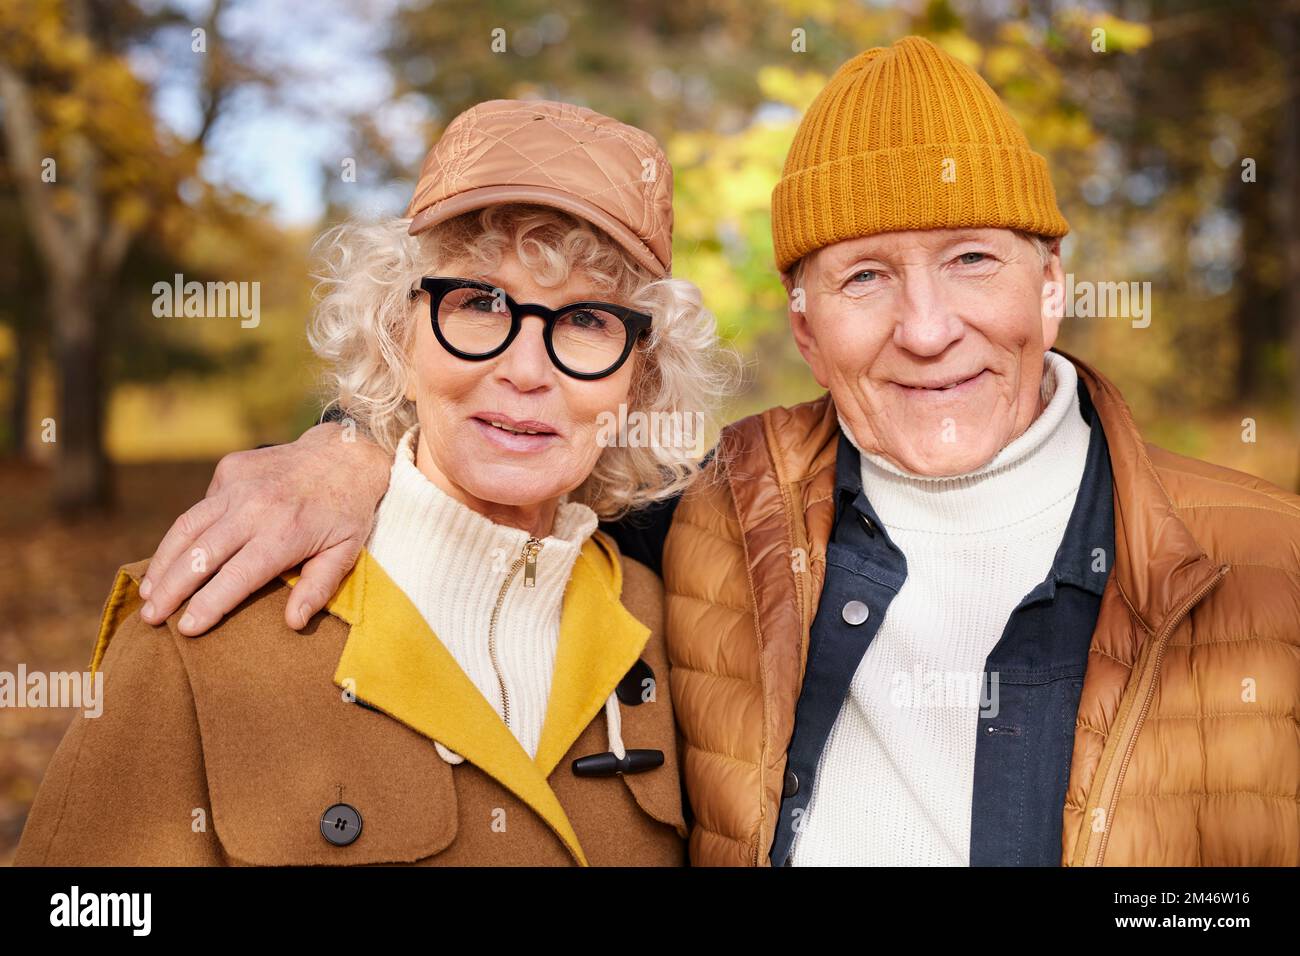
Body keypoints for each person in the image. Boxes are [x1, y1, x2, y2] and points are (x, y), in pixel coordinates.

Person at [127, 38, 1299, 867]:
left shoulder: (1268, 566)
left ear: (1053, 287)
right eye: (864, 276)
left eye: (974, 260)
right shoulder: (711, 524)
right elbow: (504, 443)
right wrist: (351, 444)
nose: (929, 327)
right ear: (804, 325)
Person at [15, 99, 735, 866]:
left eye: (589, 320)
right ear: (399, 332)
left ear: (642, 374)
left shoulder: (675, 631)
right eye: (481, 303)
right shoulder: (206, 624)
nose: (526, 371)